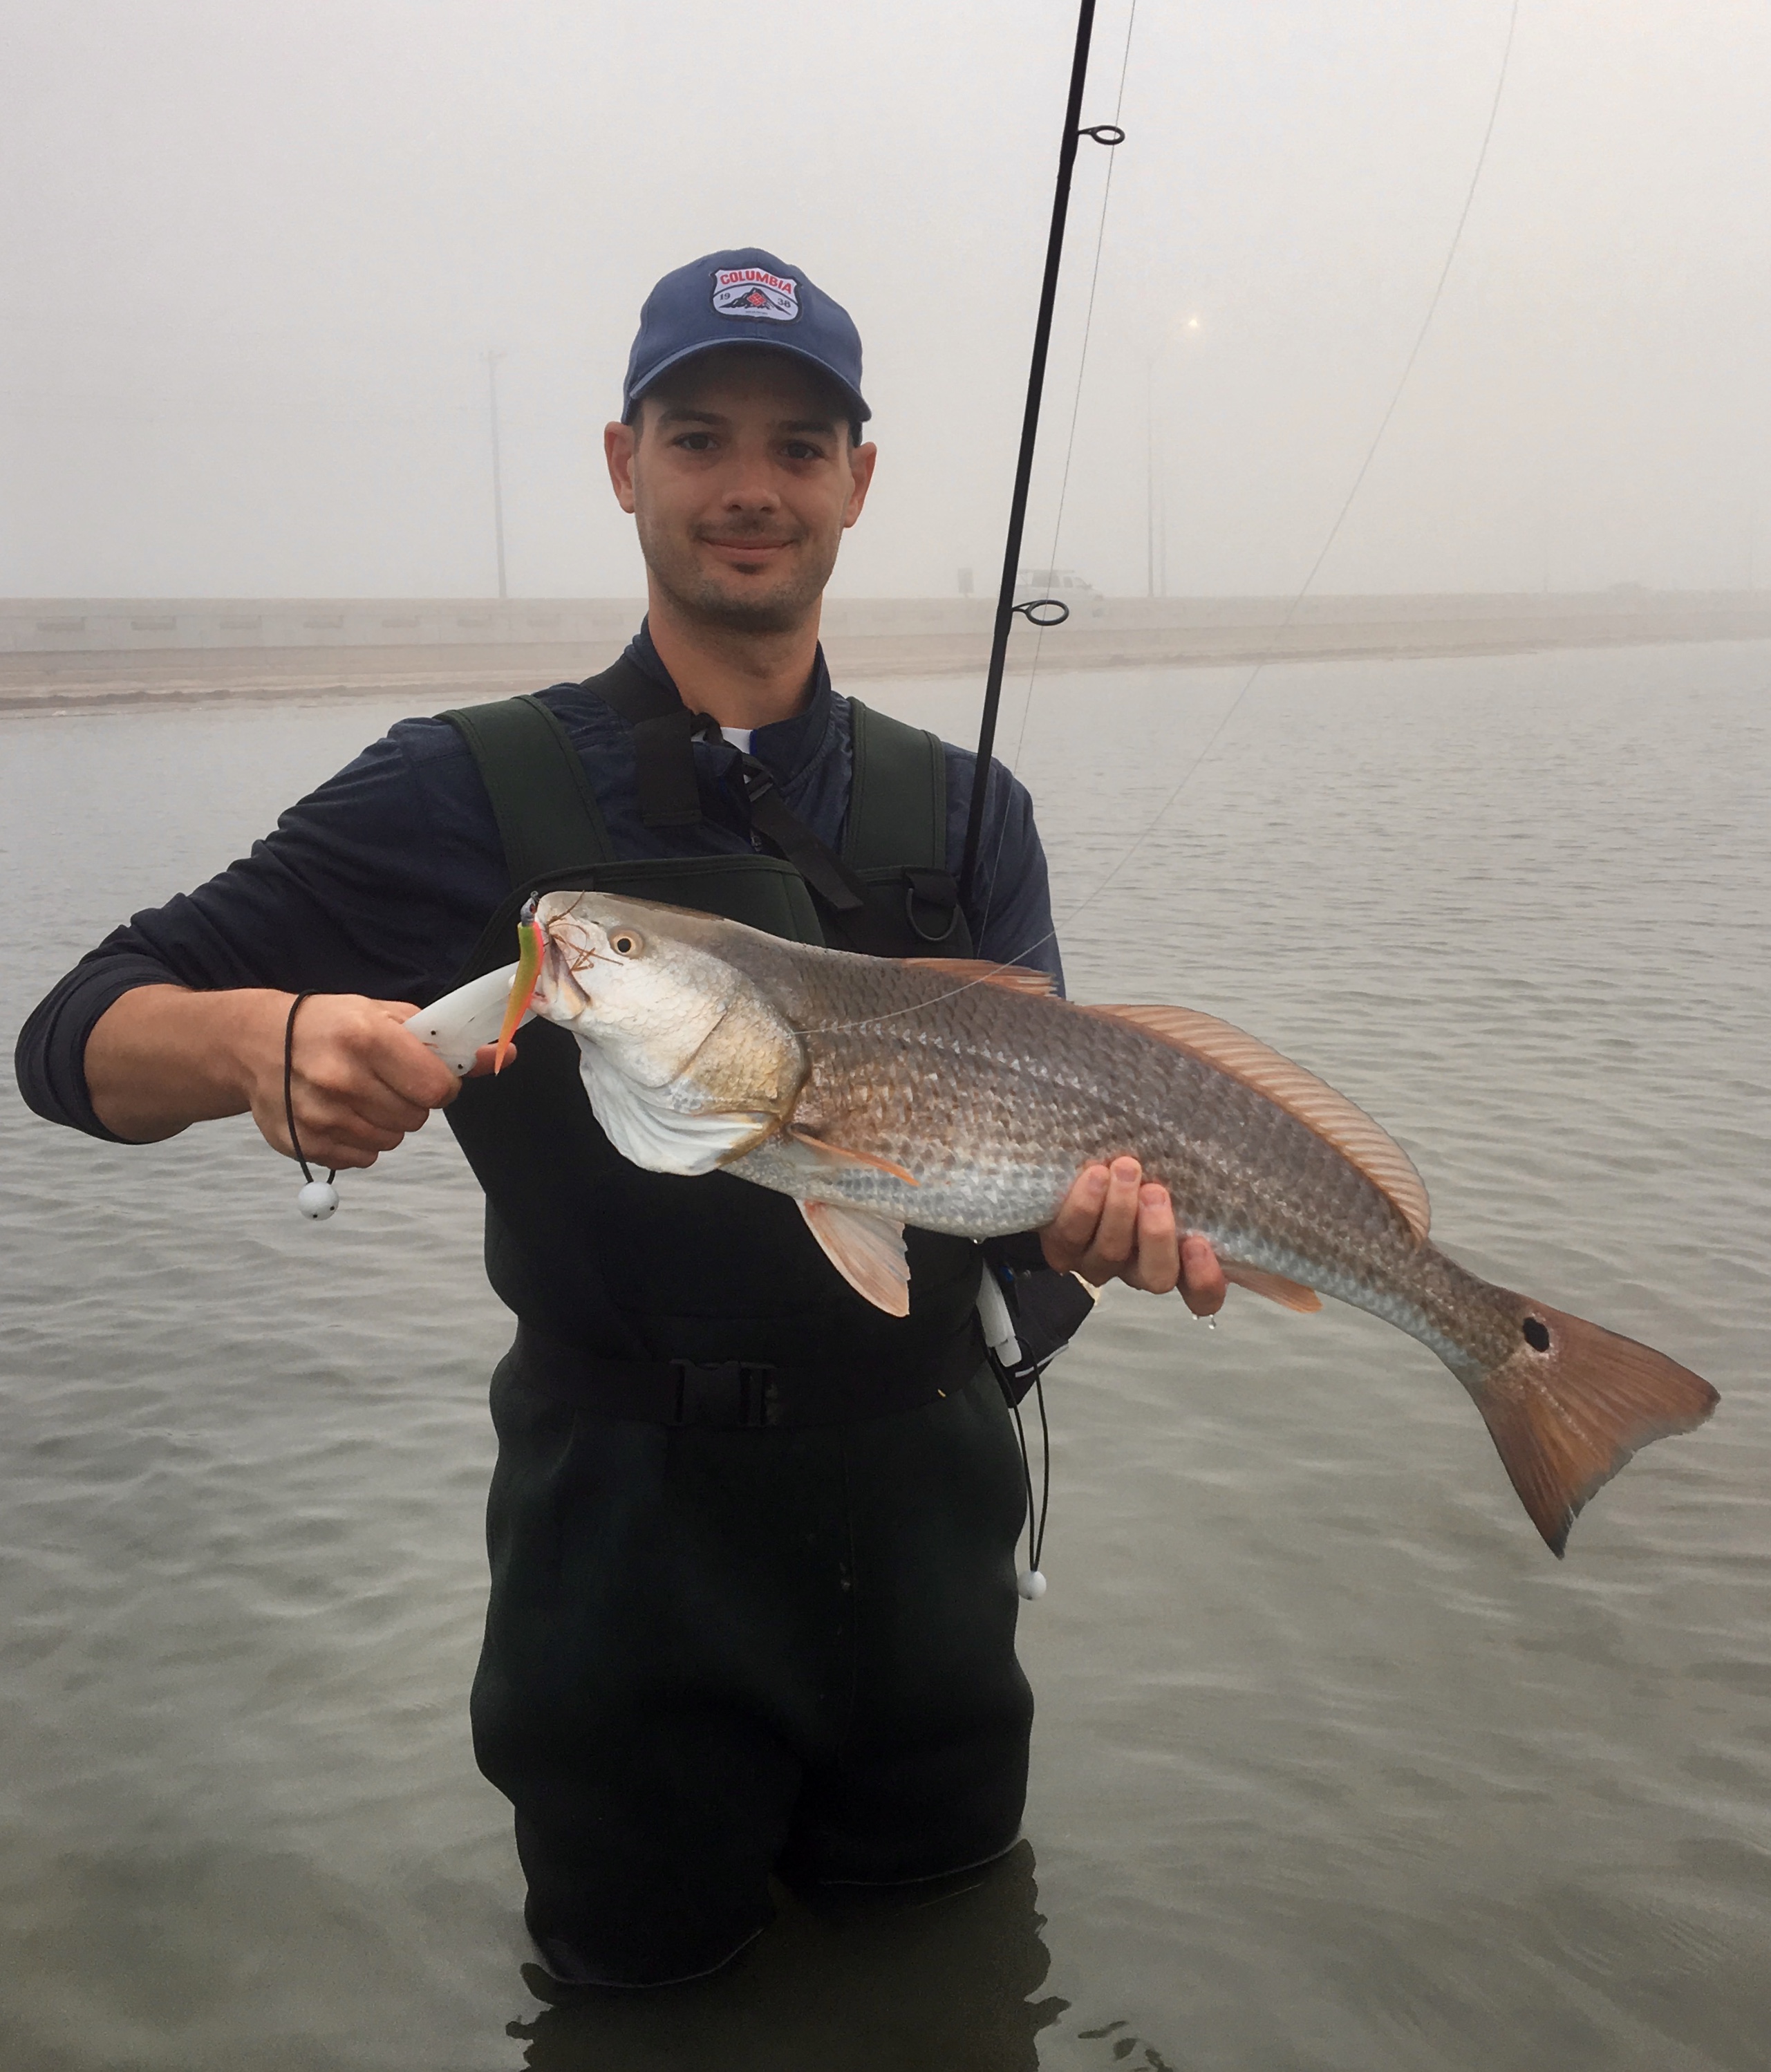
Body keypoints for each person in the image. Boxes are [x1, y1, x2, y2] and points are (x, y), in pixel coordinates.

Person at [15, 247, 1224, 1989]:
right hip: (623, 1568)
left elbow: (1037, 1176)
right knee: (639, 2007)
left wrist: (1099, 1236)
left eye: (801, 446)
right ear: (622, 460)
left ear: (858, 484)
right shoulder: (466, 789)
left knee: (961, 1982)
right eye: (702, 436)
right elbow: (72, 1033)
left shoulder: (964, 813)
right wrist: (254, 1042)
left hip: (930, 1572)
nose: (751, 486)